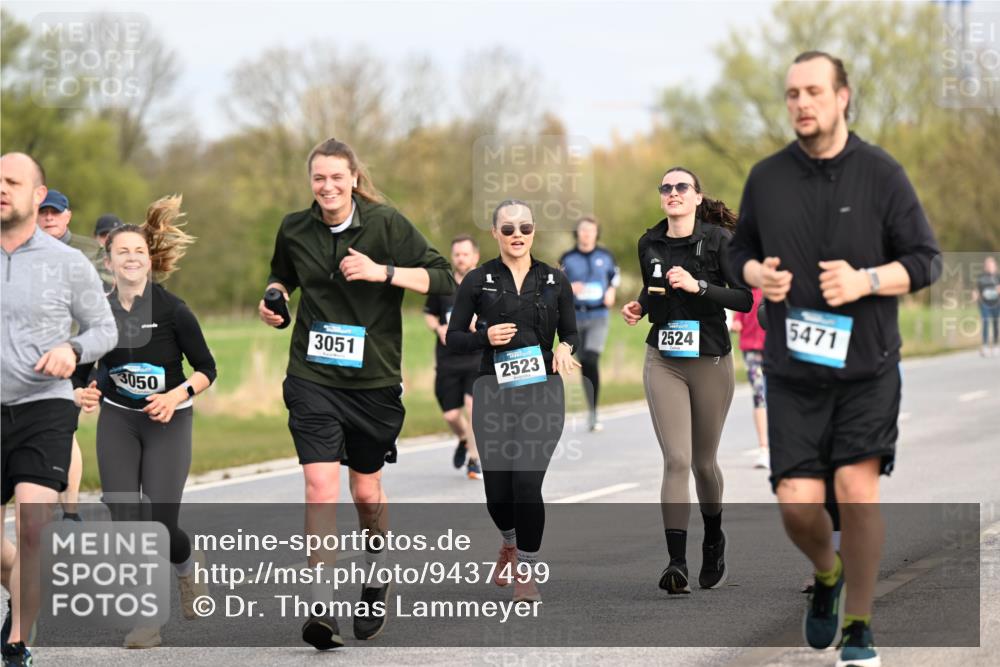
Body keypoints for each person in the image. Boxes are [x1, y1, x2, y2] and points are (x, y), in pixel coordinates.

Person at [728, 51, 941, 667]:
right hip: (793, 373)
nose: (802, 103)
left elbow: (926, 259)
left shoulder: (881, 173)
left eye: (814, 91)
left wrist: (866, 280)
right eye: (793, 93)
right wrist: (755, 274)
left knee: (855, 488)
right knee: (798, 505)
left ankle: (859, 627)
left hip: (866, 368)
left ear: (842, 97)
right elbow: (737, 251)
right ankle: (827, 573)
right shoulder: (767, 178)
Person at [258, 138, 454, 649]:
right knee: (320, 487)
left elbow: (444, 278)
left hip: (373, 382)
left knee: (366, 494)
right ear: (311, 182)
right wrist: (275, 297)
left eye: (336, 178)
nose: (327, 187)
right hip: (312, 376)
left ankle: (376, 570)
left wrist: (381, 272)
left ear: (353, 179)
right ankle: (321, 608)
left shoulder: (385, 224)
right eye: (319, 178)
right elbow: (282, 274)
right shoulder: (294, 228)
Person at [72, 196, 215, 649]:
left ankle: (186, 565)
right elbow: (81, 369)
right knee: (124, 516)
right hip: (120, 420)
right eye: (122, 252)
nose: (131, 258)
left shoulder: (174, 310)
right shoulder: (98, 312)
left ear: (150, 261)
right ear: (108, 262)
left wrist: (175, 396)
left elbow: (207, 369)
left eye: (139, 251)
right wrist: (83, 390)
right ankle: (147, 620)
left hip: (168, 423)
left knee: (161, 523)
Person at [1, 153, 118, 667]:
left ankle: (16, 644)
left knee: (32, 527)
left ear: (37, 195)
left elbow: (104, 329)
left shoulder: (67, 262)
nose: (1, 188)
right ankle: (21, 587)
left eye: (12, 181)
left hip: (43, 405)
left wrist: (73, 350)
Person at [621, 168, 752, 595]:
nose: (673, 193)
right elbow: (653, 287)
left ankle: (713, 539)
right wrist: (640, 306)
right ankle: (676, 563)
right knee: (676, 459)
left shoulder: (718, 240)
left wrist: (699, 287)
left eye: (682, 187)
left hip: (710, 359)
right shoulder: (649, 242)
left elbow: (744, 298)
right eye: (666, 188)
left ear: (697, 197)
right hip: (664, 360)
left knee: (703, 463)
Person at [447, 200, 580, 603]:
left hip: (542, 391)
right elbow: (454, 338)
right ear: (495, 233)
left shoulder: (555, 280)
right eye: (508, 229)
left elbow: (571, 333)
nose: (517, 235)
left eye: (524, 227)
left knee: (526, 482)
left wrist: (565, 348)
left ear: (534, 231)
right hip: (493, 391)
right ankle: (508, 542)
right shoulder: (478, 279)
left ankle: (526, 568)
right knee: (498, 491)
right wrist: (483, 337)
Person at [37, 189, 103, 523]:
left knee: (65, 427)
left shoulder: (87, 253)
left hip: (75, 350)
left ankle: (70, 512)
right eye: (43, 212)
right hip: (30, 353)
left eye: (54, 212)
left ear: (67, 216)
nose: (49, 217)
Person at [423, 234, 486, 479]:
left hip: (476, 357)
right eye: (457, 254)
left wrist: (479, 324)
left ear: (475, 256)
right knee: (450, 415)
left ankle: (474, 459)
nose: (461, 258)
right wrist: (438, 327)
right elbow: (429, 314)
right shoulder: (443, 285)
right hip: (448, 359)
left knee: (472, 407)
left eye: (465, 254)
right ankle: (463, 439)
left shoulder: (485, 285)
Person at [559, 216, 620, 431]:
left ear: (596, 233)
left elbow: (614, 277)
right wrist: (569, 287)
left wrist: (611, 291)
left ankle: (594, 412)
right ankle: (591, 408)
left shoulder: (606, 255)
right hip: (574, 316)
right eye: (583, 230)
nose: (586, 234)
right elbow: (556, 284)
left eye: (590, 230)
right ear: (577, 233)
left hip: (598, 315)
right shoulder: (567, 258)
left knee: (592, 359)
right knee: (584, 361)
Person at [730, 288, 769, 469]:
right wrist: (736, 323)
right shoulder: (746, 288)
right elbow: (739, 314)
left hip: (774, 348)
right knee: (759, 396)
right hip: (752, 350)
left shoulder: (775, 283)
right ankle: (763, 449)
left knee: (778, 396)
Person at [974, 256, 999, 357]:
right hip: (985, 304)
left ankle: (996, 345)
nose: (989, 267)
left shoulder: (998, 277)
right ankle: (985, 346)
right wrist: (975, 295)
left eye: (991, 265)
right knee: (985, 322)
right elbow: (977, 290)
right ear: (985, 267)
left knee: (995, 323)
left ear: (995, 266)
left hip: (997, 304)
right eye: (987, 265)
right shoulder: (981, 278)